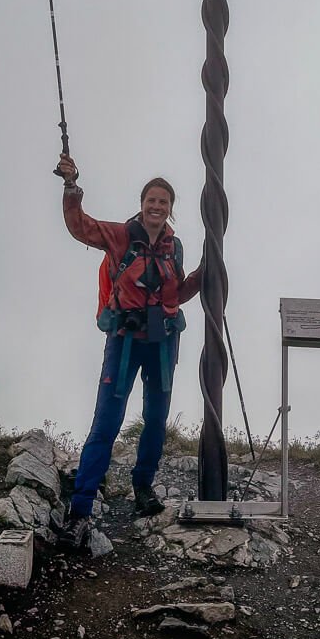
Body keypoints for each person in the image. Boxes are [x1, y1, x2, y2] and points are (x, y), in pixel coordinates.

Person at [55, 154, 201, 549]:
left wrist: (205, 273)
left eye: (164, 202)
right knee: (107, 422)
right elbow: (80, 227)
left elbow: (177, 293)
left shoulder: (176, 248)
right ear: (142, 204)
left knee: (155, 420)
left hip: (163, 341)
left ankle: (143, 490)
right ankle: (80, 510)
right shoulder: (120, 236)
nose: (157, 206)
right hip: (123, 341)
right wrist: (72, 188)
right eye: (151, 200)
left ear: (171, 209)